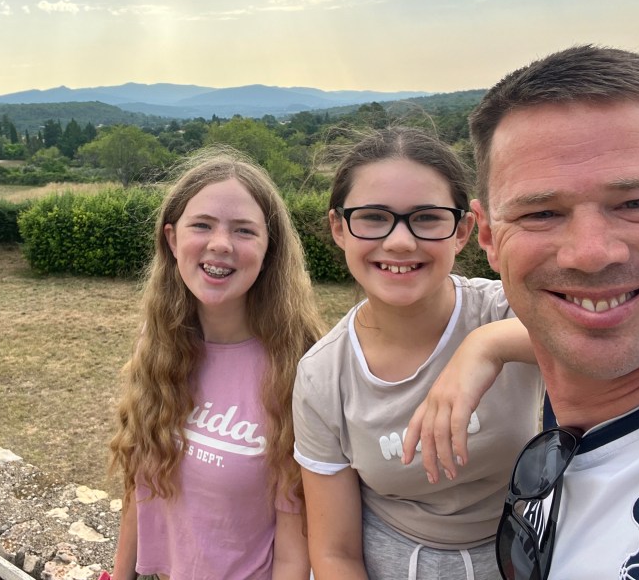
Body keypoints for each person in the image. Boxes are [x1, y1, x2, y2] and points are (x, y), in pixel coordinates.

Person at [468, 45, 639, 579]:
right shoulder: (567, 425)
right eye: (541, 213)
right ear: (487, 234)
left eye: (638, 203)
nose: (591, 253)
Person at [292, 127, 545, 580]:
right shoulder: (322, 376)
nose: (400, 242)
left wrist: (486, 347)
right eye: (373, 217)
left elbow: (633, 334)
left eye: (427, 218)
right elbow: (335, 553)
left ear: (462, 231)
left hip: (523, 556)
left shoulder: (503, 311)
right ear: (339, 228)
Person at [109, 147, 323, 580]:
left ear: (268, 249)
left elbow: (294, 547)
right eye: (202, 225)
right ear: (172, 240)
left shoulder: (298, 368)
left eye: (244, 230)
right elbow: (139, 489)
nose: (220, 244)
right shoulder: (158, 343)